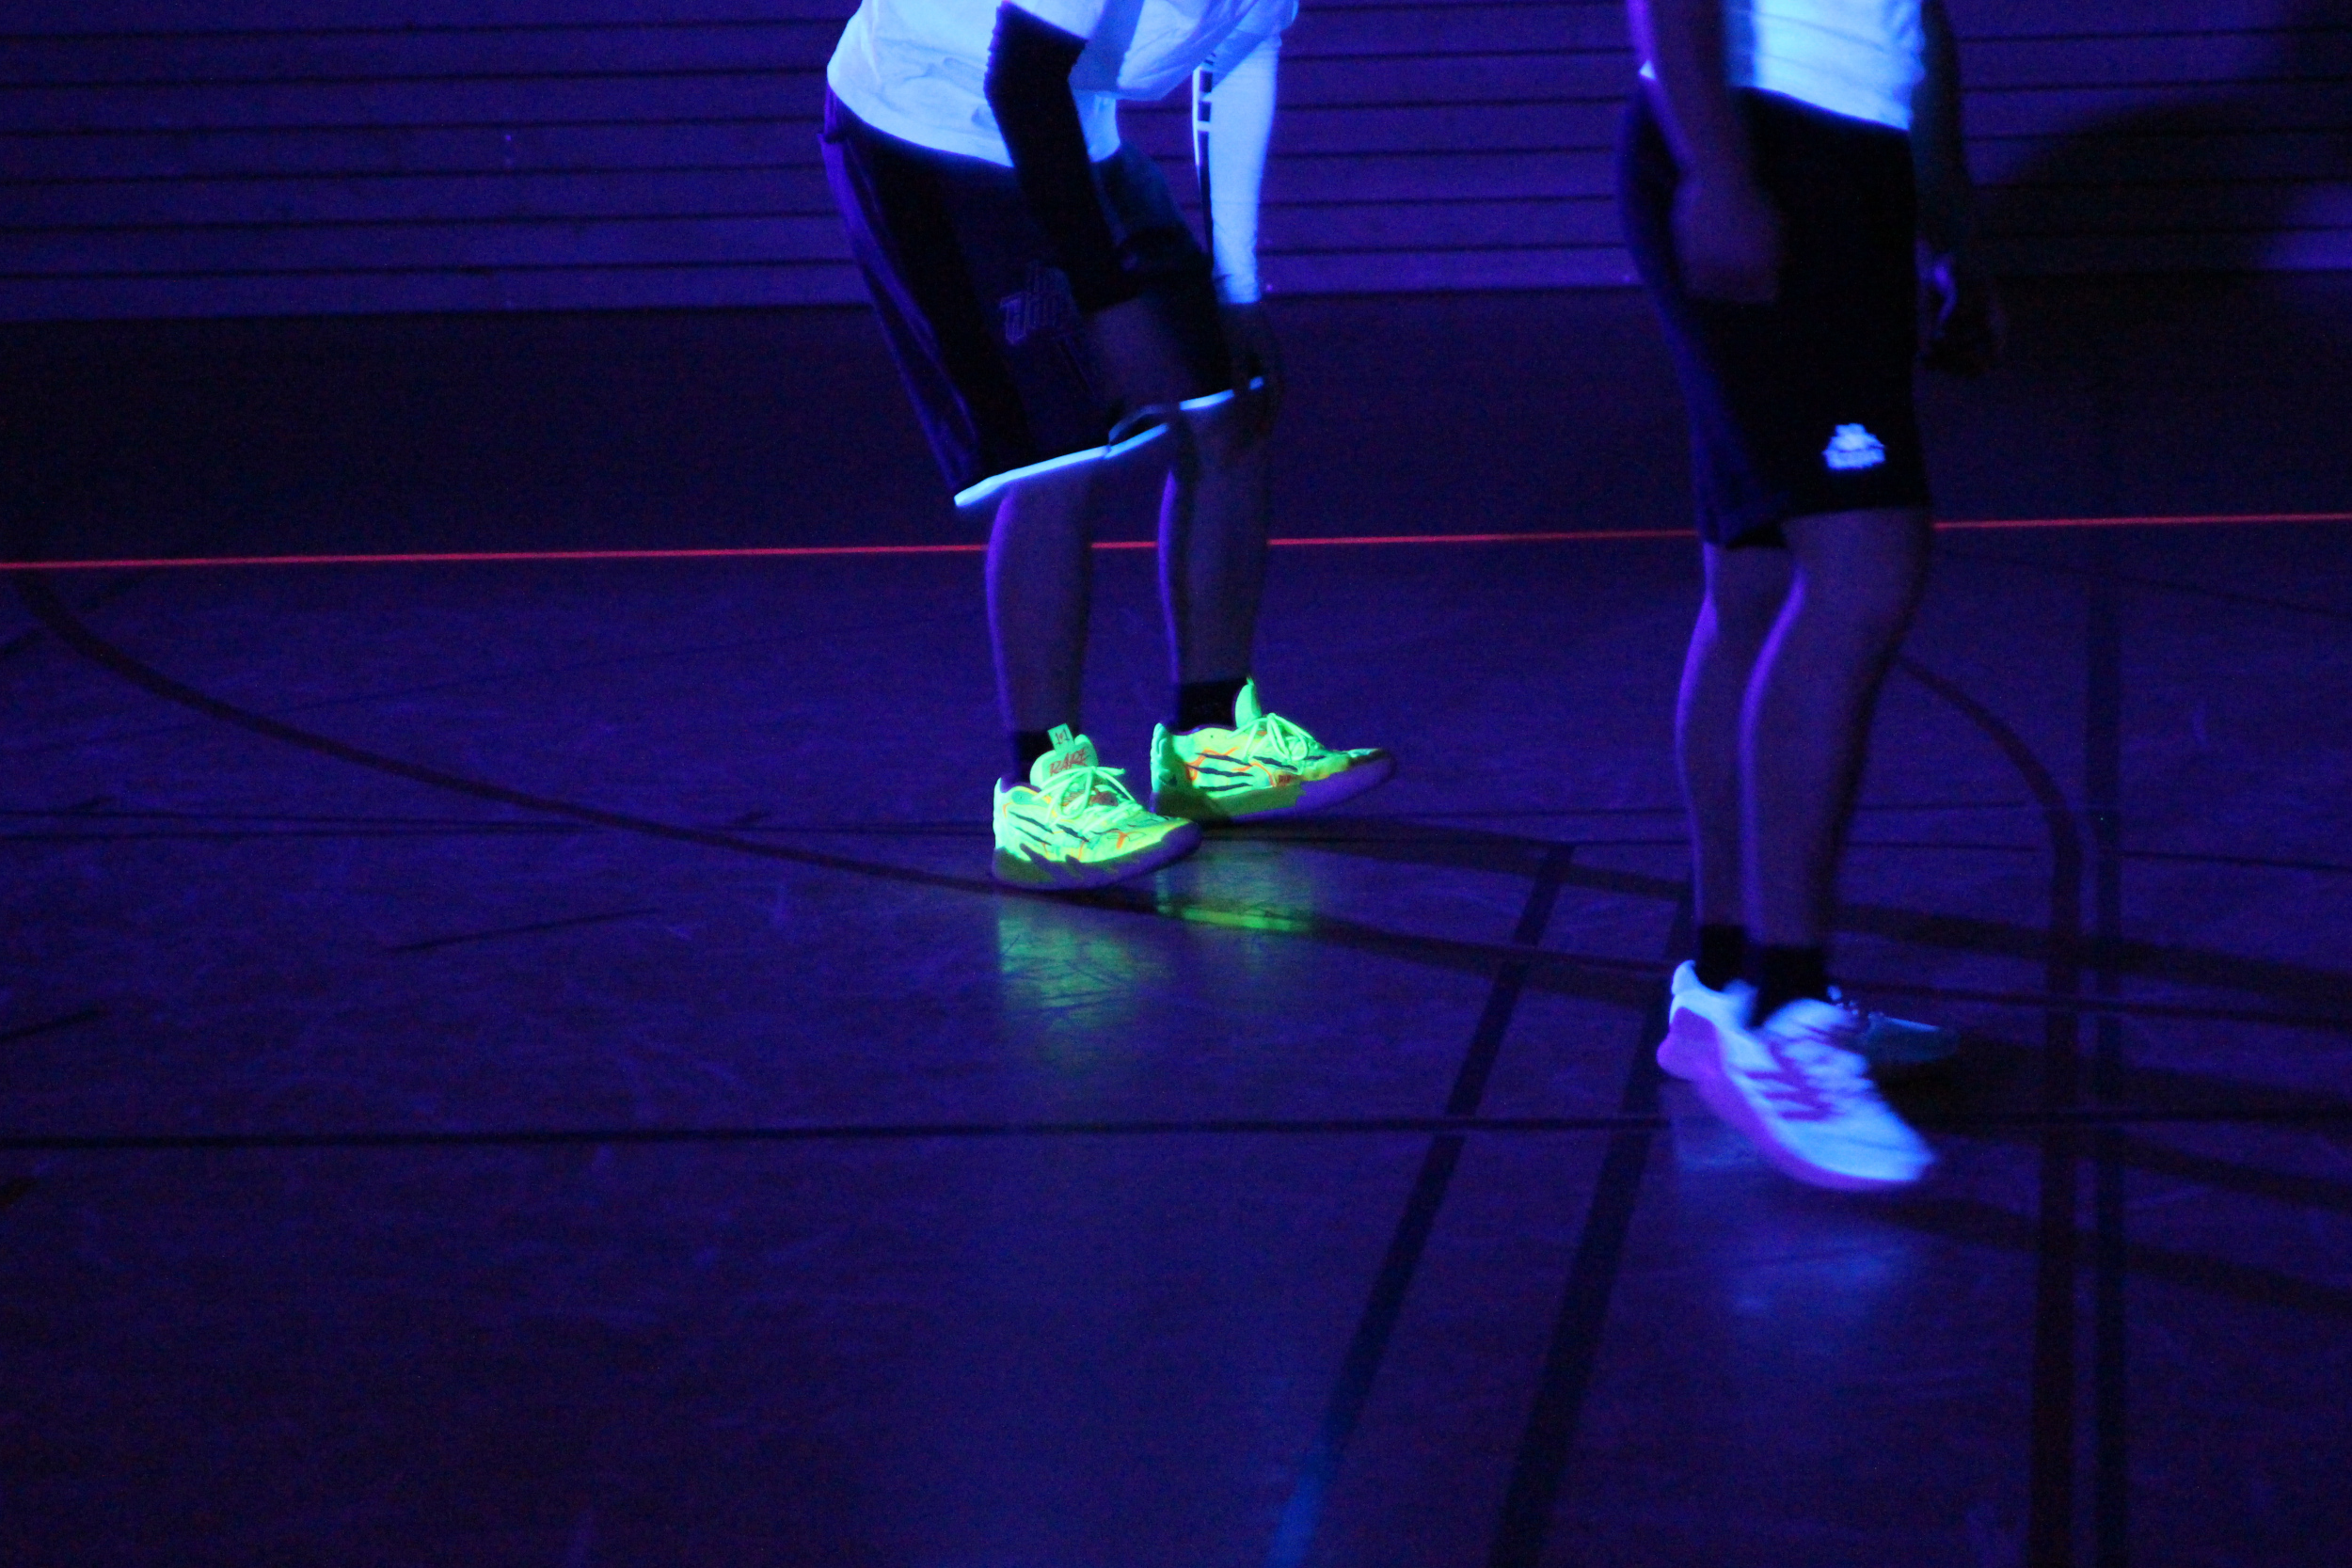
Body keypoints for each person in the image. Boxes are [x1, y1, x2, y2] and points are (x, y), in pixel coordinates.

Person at [822, 0, 1392, 891]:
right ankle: (1041, 794)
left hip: (1068, 129)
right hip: (925, 126)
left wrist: (1238, 287)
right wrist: (1108, 303)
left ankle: (1214, 740)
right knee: (1060, 454)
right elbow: (1021, 80)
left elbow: (1239, 59)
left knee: (1229, 406)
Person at [1621, 0, 2000, 1188]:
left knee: (1759, 580)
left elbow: (1914, 20)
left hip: (1845, 161)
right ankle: (1784, 1017)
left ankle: (1726, 983)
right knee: (1867, 561)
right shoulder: (1744, 151)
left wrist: (1944, 224)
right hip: (1761, 144)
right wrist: (1718, 171)